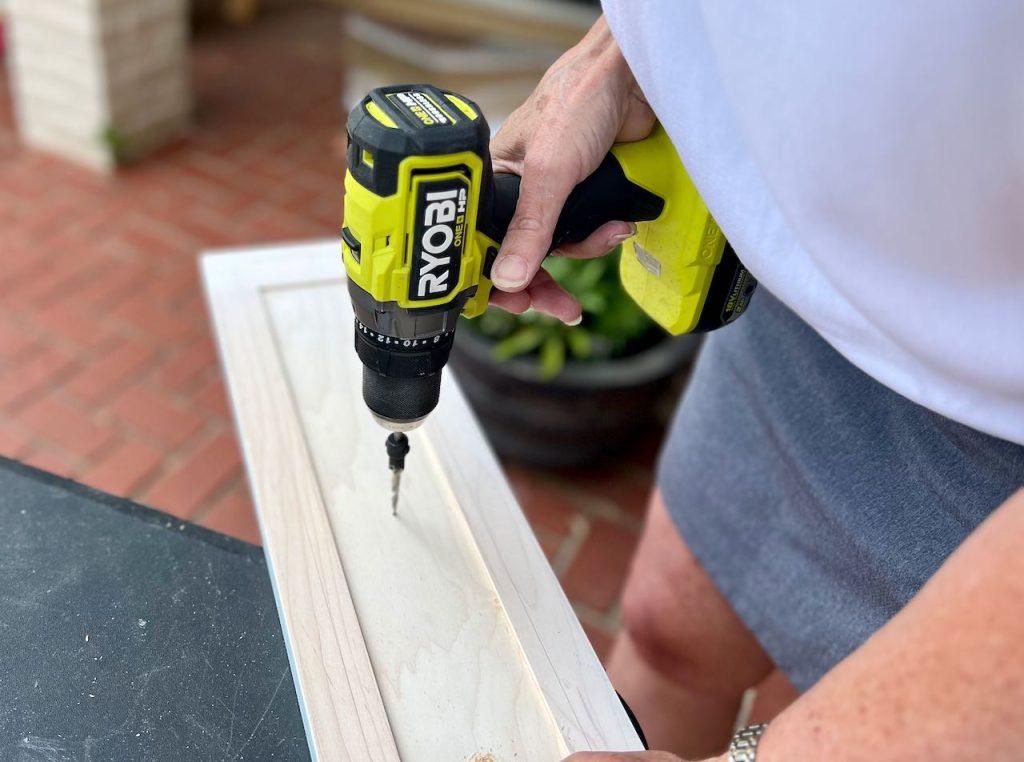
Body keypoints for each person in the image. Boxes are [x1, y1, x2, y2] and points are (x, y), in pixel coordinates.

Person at [487, 4, 1024, 760]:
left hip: (1001, 442)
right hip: (809, 296)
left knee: (806, 702)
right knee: (666, 640)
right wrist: (629, 50)